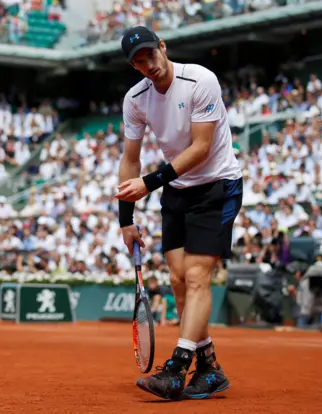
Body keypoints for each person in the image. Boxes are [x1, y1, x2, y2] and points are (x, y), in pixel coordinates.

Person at [115, 26, 242, 401]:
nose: (147, 65)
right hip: (177, 190)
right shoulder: (135, 99)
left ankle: (176, 368)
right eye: (138, 62)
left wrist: (150, 183)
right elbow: (129, 159)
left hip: (217, 185)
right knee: (177, 279)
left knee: (197, 276)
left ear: (163, 48)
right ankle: (209, 368)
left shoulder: (201, 79)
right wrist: (126, 220)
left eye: (150, 55)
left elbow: (202, 148)